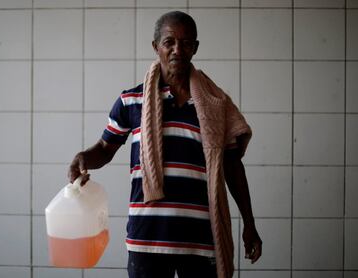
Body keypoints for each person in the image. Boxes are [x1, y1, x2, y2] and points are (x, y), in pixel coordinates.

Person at [68, 11, 262, 278]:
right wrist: (83, 158)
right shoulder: (131, 100)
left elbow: (232, 165)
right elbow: (105, 148)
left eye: (185, 43)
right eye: (169, 42)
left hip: (200, 240)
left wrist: (249, 223)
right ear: (155, 46)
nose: (177, 50)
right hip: (146, 241)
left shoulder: (216, 105)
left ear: (195, 48)